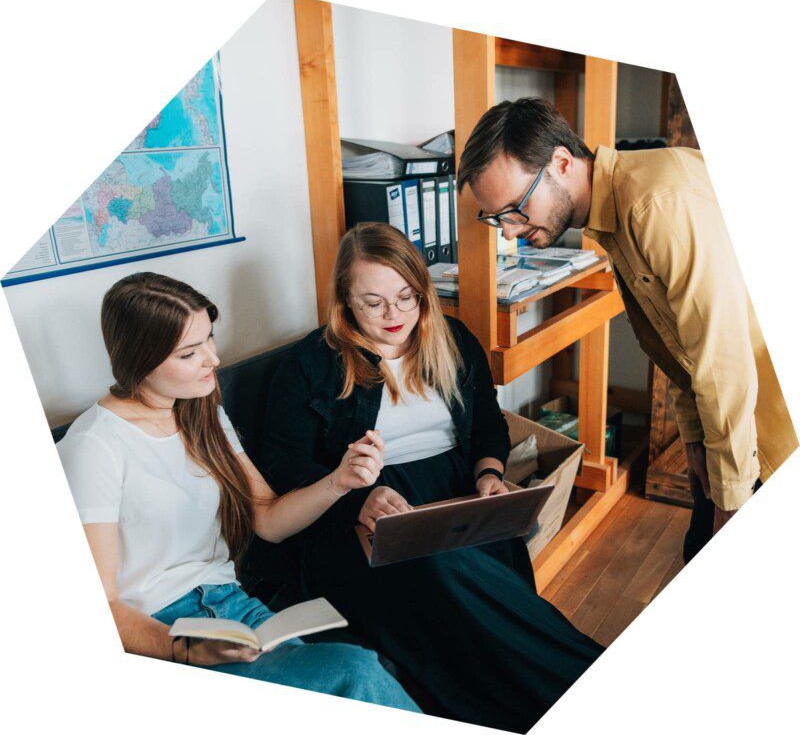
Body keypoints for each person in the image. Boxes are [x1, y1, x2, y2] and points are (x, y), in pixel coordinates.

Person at [258, 223, 603, 733]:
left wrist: (489, 473)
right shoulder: (311, 364)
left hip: (456, 492)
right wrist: (356, 497)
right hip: (361, 515)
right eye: (373, 302)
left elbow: (487, 423)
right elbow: (282, 464)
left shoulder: (453, 339)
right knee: (440, 569)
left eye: (406, 297)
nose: (393, 315)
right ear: (345, 300)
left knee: (484, 558)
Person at [56, 272, 419, 712]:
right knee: (355, 671)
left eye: (209, 338)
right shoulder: (94, 447)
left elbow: (268, 520)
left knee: (362, 675)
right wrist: (182, 648)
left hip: (233, 609)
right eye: (189, 353)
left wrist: (340, 482)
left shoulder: (202, 412)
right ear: (140, 359)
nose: (213, 359)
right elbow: (100, 606)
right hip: (160, 629)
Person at [457, 96, 797, 562]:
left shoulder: (654, 205)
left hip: (766, 426)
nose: (510, 232)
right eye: (496, 218)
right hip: (732, 427)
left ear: (561, 163)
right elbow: (678, 347)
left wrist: (731, 501)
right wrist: (693, 438)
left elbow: (723, 360)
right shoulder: (616, 213)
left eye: (516, 207)